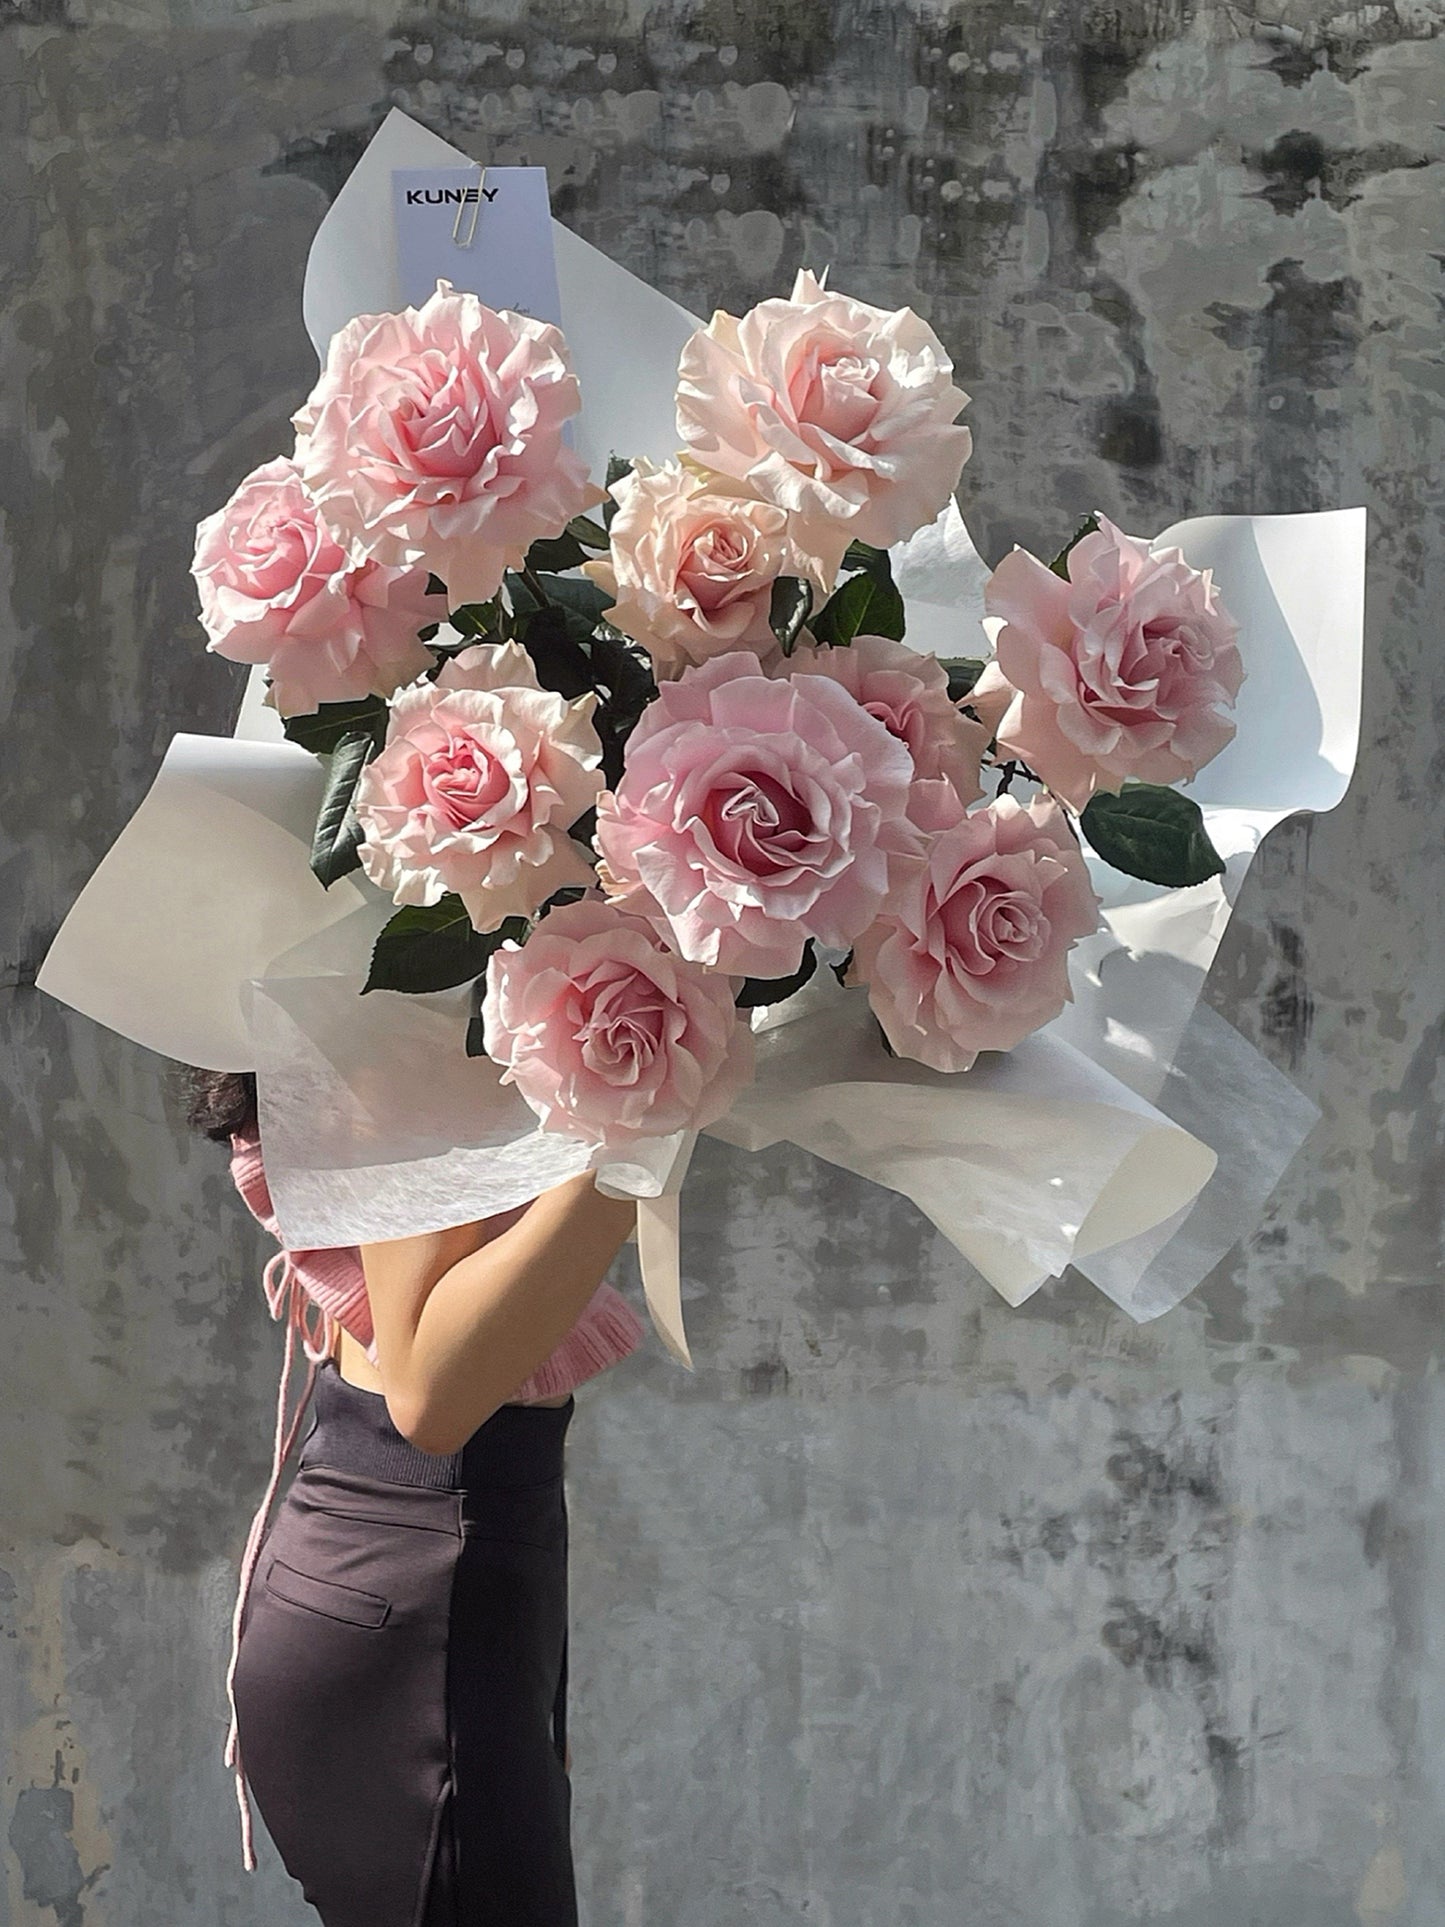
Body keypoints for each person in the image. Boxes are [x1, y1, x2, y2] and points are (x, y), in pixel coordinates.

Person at [180, 1065, 642, 1927]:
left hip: (412, 1573)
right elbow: (430, 1396)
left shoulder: (460, 1002)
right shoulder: (418, 1012)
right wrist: (650, 1130)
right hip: (411, 1602)